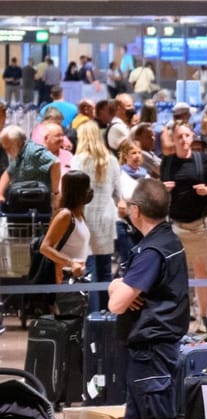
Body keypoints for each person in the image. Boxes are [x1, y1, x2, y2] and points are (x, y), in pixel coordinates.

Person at [85, 179, 203, 419]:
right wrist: (119, 285)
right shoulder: (166, 242)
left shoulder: (152, 251)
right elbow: (120, 291)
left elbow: (117, 303)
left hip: (151, 353)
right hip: (148, 355)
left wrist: (117, 287)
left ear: (136, 211)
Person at [161, 122, 207, 331]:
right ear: (174, 138)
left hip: (199, 225)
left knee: (201, 272)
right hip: (175, 225)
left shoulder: (204, 160)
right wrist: (163, 188)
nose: (183, 140)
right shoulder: (168, 162)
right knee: (177, 273)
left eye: (187, 136)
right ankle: (182, 314)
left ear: (192, 137)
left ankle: (203, 315)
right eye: (179, 136)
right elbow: (159, 189)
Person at [71, 122, 119, 312]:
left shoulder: (79, 160)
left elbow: (73, 190)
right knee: (106, 271)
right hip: (107, 218)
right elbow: (118, 193)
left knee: (91, 272)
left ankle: (93, 321)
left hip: (86, 218)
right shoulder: (111, 160)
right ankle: (107, 318)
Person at [37, 170, 91, 290]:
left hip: (79, 276)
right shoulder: (65, 215)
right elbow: (45, 247)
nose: (90, 191)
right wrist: (71, 263)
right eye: (87, 187)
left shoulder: (79, 214)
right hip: (65, 279)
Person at [0, 124, 60, 213]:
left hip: (39, 206)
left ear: (16, 143)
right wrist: (0, 193)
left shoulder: (33, 151)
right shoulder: (19, 153)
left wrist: (54, 194)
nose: (7, 152)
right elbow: (8, 173)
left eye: (8, 148)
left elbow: (55, 163)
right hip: (23, 204)